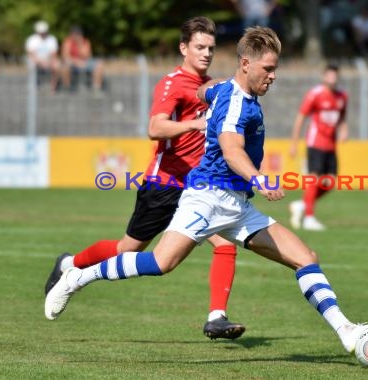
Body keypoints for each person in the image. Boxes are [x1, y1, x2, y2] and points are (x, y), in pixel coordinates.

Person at [45, 26, 368, 356]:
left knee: (306, 258)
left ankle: (346, 330)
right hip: (208, 198)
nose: (273, 76)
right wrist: (259, 179)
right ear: (246, 64)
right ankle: (78, 277)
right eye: (268, 69)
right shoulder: (237, 104)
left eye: (275, 69)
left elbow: (203, 92)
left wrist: (205, 95)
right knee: (160, 263)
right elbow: (231, 149)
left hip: (237, 206)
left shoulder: (226, 89)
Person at [44, 16, 245, 340]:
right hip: (164, 184)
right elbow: (155, 128)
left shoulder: (210, 88)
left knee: (224, 243)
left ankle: (216, 317)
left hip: (198, 185)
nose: (206, 53)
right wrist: (192, 126)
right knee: (127, 249)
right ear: (183, 48)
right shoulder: (172, 84)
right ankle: (71, 263)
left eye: (210, 48)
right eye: (199, 47)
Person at [288, 64, 348, 231]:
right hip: (315, 143)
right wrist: (294, 143)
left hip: (331, 144)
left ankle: (302, 205)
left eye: (335, 76)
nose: (332, 79)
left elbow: (342, 117)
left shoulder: (342, 96)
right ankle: (309, 217)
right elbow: (301, 117)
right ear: (324, 77)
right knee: (314, 179)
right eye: (329, 75)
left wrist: (344, 130)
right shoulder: (315, 94)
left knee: (331, 182)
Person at [61, 26, 105, 93]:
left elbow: (87, 55)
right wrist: (76, 62)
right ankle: (67, 87)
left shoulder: (85, 41)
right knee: (66, 65)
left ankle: (96, 88)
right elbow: (65, 56)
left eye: (78, 34)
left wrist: (80, 45)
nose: (76, 36)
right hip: (73, 63)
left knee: (99, 64)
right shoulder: (67, 42)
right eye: (74, 34)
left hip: (84, 62)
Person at [25, 20, 61, 92]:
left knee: (57, 65)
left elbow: (54, 54)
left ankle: (53, 87)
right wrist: (40, 62)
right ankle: (33, 85)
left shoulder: (51, 39)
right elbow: (31, 54)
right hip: (36, 60)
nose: (42, 33)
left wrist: (48, 62)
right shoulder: (32, 39)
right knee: (31, 64)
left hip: (48, 60)